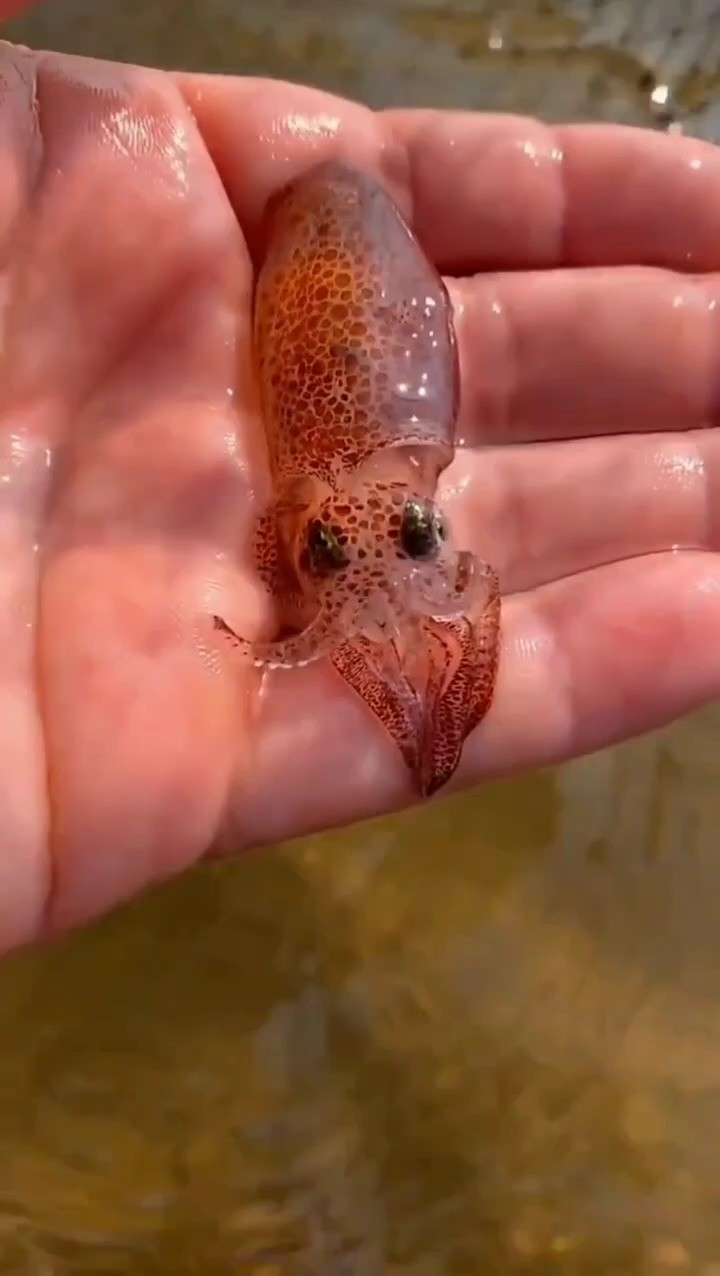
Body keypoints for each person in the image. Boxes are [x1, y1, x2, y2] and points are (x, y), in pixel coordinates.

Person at [0, 15, 718, 955]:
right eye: (337, 551)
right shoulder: (306, 489)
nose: (389, 580)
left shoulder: (373, 473)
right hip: (315, 232)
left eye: (418, 536)